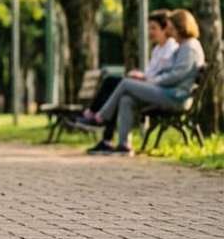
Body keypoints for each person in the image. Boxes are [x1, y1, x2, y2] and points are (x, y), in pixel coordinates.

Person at [81, 9, 205, 156]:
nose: (170, 33)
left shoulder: (190, 47)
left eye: (171, 29)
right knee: (127, 99)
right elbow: (169, 72)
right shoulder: (184, 46)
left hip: (176, 96)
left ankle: (101, 116)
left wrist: (152, 81)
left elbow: (176, 76)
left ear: (181, 28)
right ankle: (124, 145)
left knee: (126, 84)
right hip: (169, 92)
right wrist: (149, 79)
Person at [79, 10, 178, 141]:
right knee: (118, 90)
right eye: (149, 28)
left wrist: (143, 78)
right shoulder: (157, 49)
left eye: (154, 28)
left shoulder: (171, 48)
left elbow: (163, 75)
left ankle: (96, 115)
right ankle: (107, 139)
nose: (150, 33)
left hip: (158, 91)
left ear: (165, 29)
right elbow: (151, 73)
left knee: (115, 83)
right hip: (149, 85)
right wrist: (140, 75)